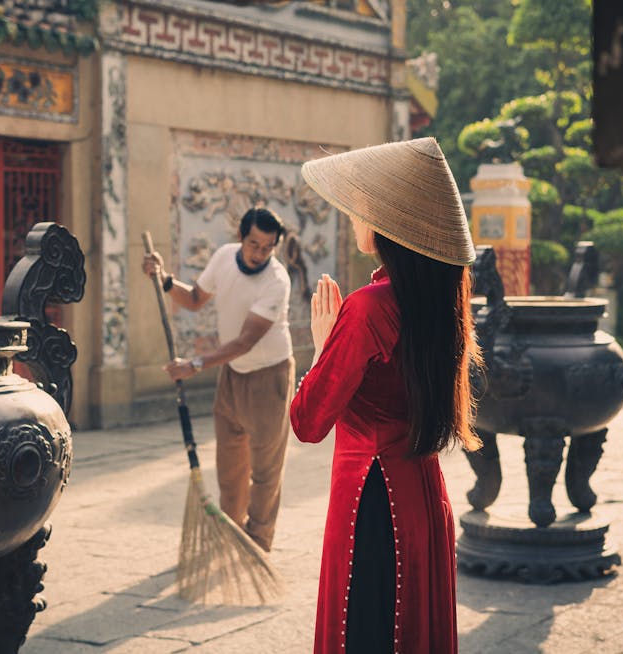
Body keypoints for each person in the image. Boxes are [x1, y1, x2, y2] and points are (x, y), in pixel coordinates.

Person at [291, 137, 482, 653]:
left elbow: (308, 422)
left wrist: (319, 349)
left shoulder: (369, 308)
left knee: (369, 634)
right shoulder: (442, 300)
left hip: (370, 502)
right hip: (420, 491)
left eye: (361, 207)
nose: (353, 217)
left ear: (388, 222)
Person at [142, 207, 294, 553]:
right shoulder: (225, 257)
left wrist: (194, 364)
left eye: (267, 247)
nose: (259, 253)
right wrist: (164, 279)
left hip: (269, 375)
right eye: (254, 243)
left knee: (266, 470)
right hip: (232, 374)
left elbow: (245, 342)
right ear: (241, 237)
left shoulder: (276, 281)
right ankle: (232, 534)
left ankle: (257, 545)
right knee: (230, 467)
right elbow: (195, 300)